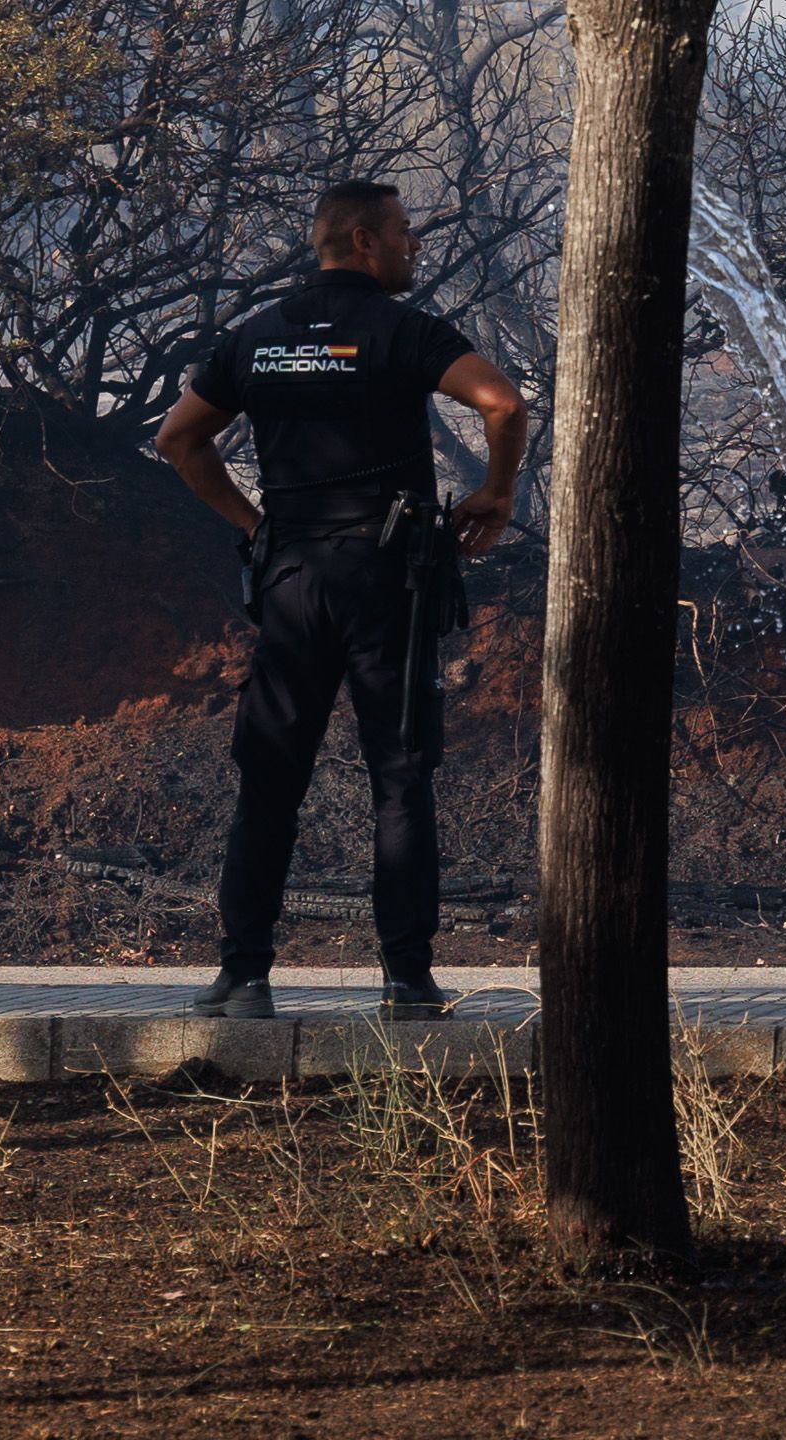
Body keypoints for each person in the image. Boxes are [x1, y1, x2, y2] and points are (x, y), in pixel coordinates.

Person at [155, 181, 530, 1021]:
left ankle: (243, 976)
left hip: (289, 578)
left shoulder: (256, 336)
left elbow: (178, 439)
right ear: (364, 242)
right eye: (404, 233)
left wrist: (254, 527)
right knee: (398, 778)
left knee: (269, 782)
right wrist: (496, 495)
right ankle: (407, 980)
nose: (414, 246)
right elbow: (504, 404)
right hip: (386, 577)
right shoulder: (403, 330)